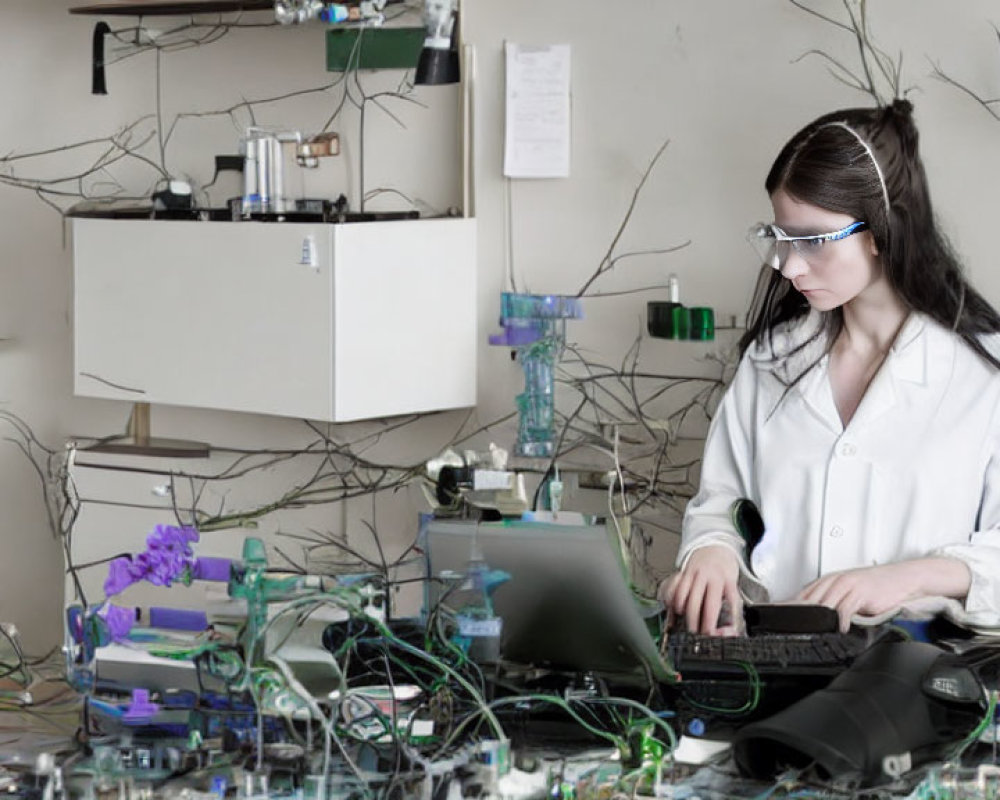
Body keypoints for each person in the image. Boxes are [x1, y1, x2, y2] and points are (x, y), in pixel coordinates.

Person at [660, 99, 1000, 636]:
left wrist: (909, 578)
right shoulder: (771, 361)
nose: (792, 267)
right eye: (782, 239)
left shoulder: (983, 376)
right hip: (772, 667)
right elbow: (722, 503)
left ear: (880, 232)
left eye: (815, 240)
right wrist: (712, 550)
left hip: (919, 683)